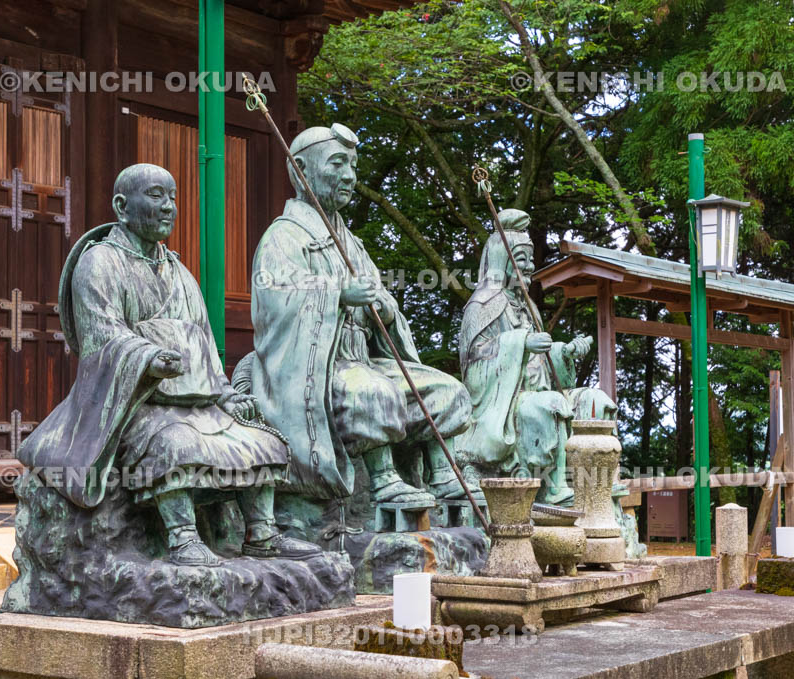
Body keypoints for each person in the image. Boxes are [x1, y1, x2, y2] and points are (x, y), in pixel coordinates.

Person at [18, 163, 321, 566]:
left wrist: (227, 394)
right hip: (135, 402)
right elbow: (100, 337)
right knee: (174, 444)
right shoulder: (99, 263)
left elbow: (205, 343)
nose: (169, 207)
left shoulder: (179, 271)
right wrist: (146, 358)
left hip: (196, 400)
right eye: (157, 195)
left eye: (173, 198)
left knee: (260, 439)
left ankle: (261, 534)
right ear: (121, 206)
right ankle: (181, 538)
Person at [247, 123, 481, 509]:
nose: (349, 177)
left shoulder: (351, 242)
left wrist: (385, 312)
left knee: (446, 391)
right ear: (300, 169)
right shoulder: (284, 236)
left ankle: (444, 473)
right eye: (337, 164)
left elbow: (379, 296)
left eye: (353, 166)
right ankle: (384, 479)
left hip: (363, 358)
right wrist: (337, 293)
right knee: (371, 391)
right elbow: (275, 300)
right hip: (321, 368)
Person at [458, 209, 617, 504]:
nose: (530, 266)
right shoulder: (482, 305)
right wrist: (520, 343)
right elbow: (473, 367)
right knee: (552, 404)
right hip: (506, 401)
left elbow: (543, 361)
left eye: (531, 259)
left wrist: (562, 352)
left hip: (539, 389)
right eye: (522, 260)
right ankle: (555, 488)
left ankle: (601, 484)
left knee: (595, 400)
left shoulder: (528, 306)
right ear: (502, 263)